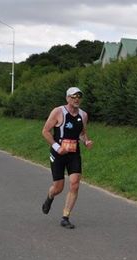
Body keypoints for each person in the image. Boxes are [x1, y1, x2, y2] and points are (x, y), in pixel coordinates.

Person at [41, 87, 93, 229]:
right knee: (58, 187)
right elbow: (45, 131)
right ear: (67, 98)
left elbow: (82, 133)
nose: (76, 99)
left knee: (75, 183)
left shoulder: (83, 115)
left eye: (78, 97)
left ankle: (65, 217)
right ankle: (50, 197)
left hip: (73, 153)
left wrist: (86, 141)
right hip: (58, 153)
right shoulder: (58, 112)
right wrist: (57, 147)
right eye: (73, 97)